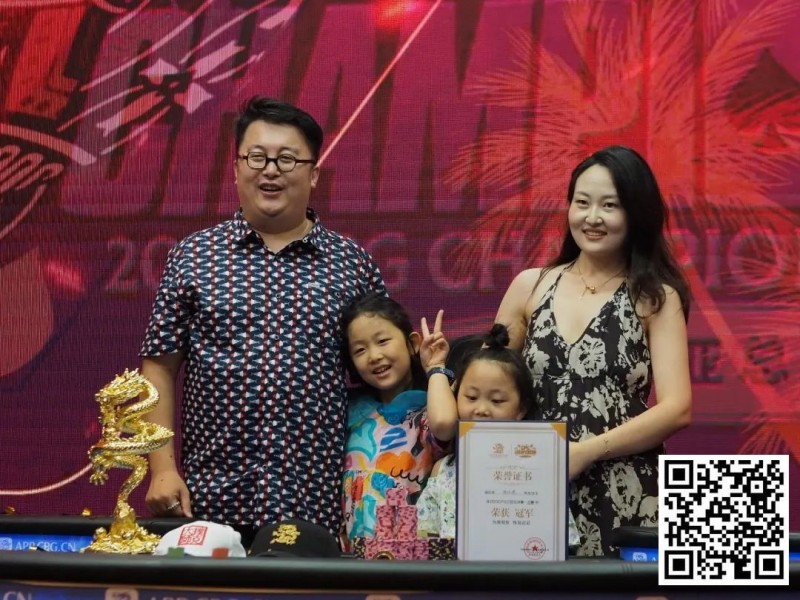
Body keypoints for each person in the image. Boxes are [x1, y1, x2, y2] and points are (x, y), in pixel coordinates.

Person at [139, 97, 385, 534]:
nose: (271, 170)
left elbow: (384, 375)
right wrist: (162, 469)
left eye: (287, 159)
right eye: (257, 157)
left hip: (317, 502)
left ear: (313, 174)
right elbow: (159, 366)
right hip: (207, 498)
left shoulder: (353, 264)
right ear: (236, 169)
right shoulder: (193, 256)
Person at [494, 145, 692, 556]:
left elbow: (677, 408)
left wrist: (585, 452)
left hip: (625, 490)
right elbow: (488, 383)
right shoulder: (530, 285)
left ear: (636, 214)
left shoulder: (655, 297)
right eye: (582, 203)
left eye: (610, 205)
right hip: (530, 487)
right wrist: (440, 371)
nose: (592, 217)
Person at [340, 293, 447, 548]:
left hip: (409, 558)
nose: (374, 355)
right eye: (360, 350)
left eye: (383, 341)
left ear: (412, 343)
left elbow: (444, 425)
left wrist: (435, 368)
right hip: (351, 557)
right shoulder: (349, 413)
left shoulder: (430, 410)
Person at [416, 323, 536, 539]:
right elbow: (426, 538)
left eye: (497, 400)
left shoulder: (536, 471)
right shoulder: (443, 470)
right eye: (471, 397)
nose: (481, 409)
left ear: (521, 409)